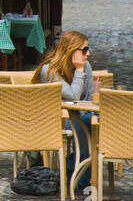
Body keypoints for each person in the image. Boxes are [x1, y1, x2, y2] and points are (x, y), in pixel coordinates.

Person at [32, 30, 95, 191]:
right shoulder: (50, 70)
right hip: (54, 119)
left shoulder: (86, 66)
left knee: (94, 122)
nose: (88, 54)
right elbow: (73, 94)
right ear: (71, 50)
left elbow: (87, 98)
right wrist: (79, 71)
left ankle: (73, 168)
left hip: (78, 114)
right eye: (84, 50)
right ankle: (81, 180)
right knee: (85, 124)